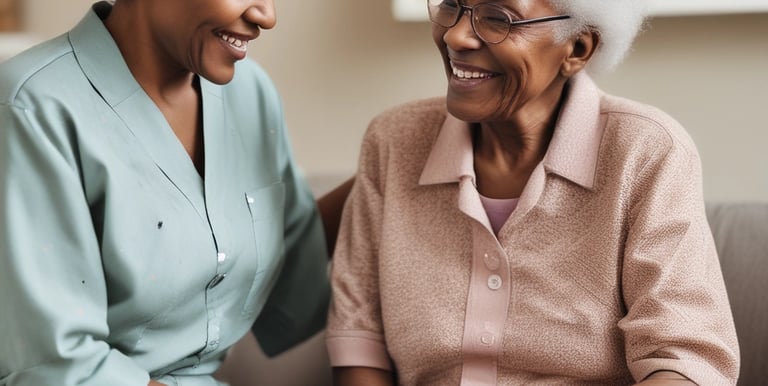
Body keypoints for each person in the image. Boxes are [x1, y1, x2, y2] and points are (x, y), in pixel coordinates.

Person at [325, 0, 740, 385]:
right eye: (452, 4)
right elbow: (360, 340)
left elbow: (683, 359)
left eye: (497, 17)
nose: (455, 36)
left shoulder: (645, 150)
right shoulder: (394, 141)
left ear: (577, 48)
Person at [0, 0, 351, 385]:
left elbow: (296, 263)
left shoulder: (250, 92)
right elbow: (53, 366)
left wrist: (394, 162)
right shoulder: (31, 108)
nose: (266, 16)